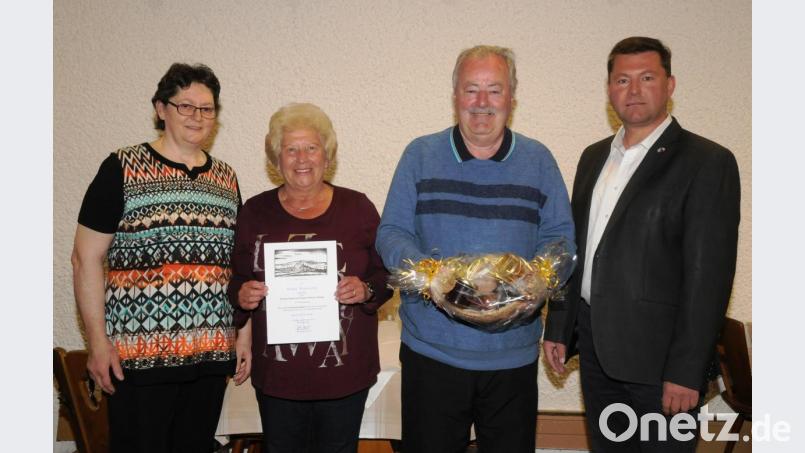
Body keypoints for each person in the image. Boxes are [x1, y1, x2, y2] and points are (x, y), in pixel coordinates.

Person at [543, 36, 741, 452]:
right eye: (622, 80)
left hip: (662, 366)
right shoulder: (593, 157)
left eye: (646, 78)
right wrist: (559, 326)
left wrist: (687, 370)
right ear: (609, 89)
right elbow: (575, 250)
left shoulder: (707, 162)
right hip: (597, 352)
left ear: (669, 85)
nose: (633, 91)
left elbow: (710, 278)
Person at [376, 45, 575, 453]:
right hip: (432, 354)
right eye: (471, 90)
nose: (482, 103)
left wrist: (533, 284)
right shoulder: (420, 154)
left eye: (494, 90)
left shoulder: (539, 161)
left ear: (512, 98)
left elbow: (560, 240)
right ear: (454, 96)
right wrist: (435, 278)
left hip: (512, 359)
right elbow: (391, 232)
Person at [71, 63, 251, 453]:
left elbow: (239, 265)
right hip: (138, 358)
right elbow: (85, 259)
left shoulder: (226, 179)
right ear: (160, 109)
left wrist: (245, 334)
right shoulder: (121, 168)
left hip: (211, 353)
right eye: (185, 105)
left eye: (206, 108)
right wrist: (97, 344)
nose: (196, 117)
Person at [229, 102, 392, 453]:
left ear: (327, 155)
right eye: (291, 149)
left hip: (343, 373)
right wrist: (242, 295)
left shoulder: (357, 208)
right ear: (276, 159)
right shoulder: (254, 212)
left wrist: (365, 290)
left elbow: (387, 276)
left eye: (311, 148)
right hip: (279, 376)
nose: (302, 158)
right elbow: (235, 280)